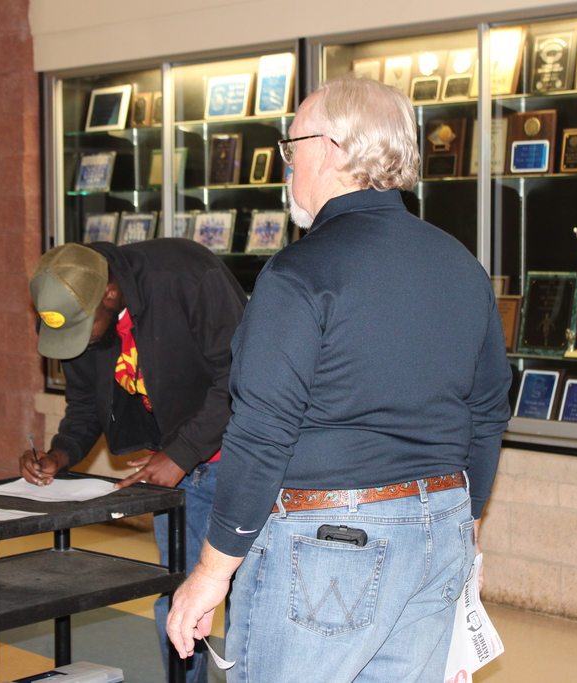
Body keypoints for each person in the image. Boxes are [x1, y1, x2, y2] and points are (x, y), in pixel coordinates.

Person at [167, 74, 513, 682]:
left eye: (292, 145)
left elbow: (262, 433)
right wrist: (469, 527)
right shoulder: (462, 266)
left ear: (330, 149)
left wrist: (211, 573)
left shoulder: (299, 273)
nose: (287, 165)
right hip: (441, 533)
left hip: (330, 545)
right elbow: (488, 414)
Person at [20, 240, 246, 683]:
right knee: (179, 597)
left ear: (109, 293)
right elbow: (86, 403)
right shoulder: (81, 310)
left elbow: (241, 375)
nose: (81, 341)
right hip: (180, 471)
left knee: (251, 599)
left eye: (85, 329)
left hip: (245, 462)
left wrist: (179, 454)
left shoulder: (186, 277)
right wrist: (60, 453)